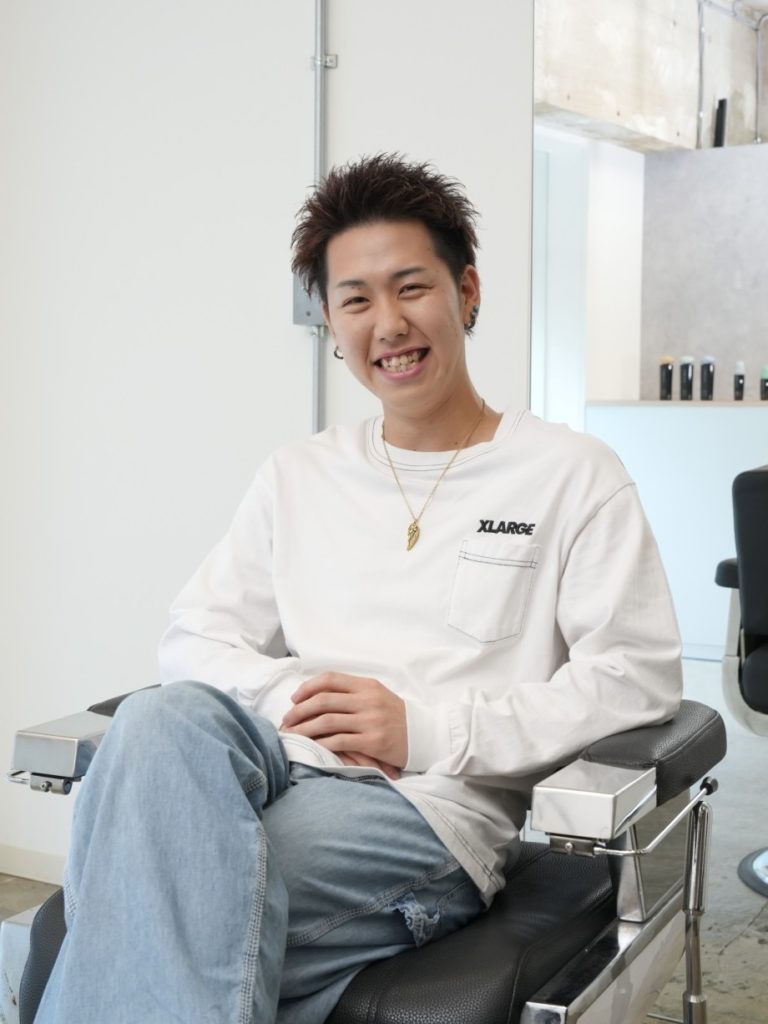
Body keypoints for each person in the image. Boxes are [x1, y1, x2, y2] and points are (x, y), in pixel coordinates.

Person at [36, 153, 683, 1023]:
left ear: (467, 291)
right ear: (333, 327)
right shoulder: (298, 473)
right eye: (356, 301)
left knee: (135, 906)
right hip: (276, 766)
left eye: (411, 288)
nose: (389, 324)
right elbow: (194, 636)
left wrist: (423, 729)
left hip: (425, 807)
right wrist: (298, 700)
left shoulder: (571, 474)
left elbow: (634, 679)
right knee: (159, 720)